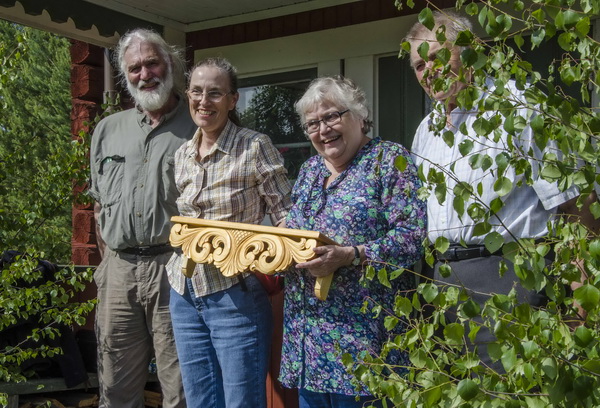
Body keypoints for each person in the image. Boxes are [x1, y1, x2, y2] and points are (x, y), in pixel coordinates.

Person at [405, 11, 599, 369]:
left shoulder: (520, 108)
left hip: (511, 278)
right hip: (444, 286)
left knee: (516, 389)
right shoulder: (425, 130)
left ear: (470, 49)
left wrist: (582, 299)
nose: (428, 70)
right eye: (419, 65)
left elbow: (576, 202)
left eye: (437, 56)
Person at [279, 76, 427, 408]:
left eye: (332, 116)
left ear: (359, 115)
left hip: (364, 346)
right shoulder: (310, 171)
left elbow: (413, 236)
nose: (323, 129)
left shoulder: (388, 160)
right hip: (308, 347)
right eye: (312, 123)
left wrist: (352, 255)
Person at [166, 57, 292, 408]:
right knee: (200, 402)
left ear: (233, 100)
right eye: (196, 91)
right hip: (183, 292)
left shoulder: (254, 146)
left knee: (241, 402)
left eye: (215, 93)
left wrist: (270, 261)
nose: (203, 101)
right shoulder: (182, 154)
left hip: (235, 294)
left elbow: (287, 216)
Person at [89, 28, 195, 408]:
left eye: (152, 63)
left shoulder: (198, 127)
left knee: (180, 388)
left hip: (176, 268)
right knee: (115, 389)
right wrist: (108, 267)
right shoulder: (107, 130)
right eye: (135, 68)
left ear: (170, 64)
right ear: (125, 75)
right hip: (119, 271)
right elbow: (99, 206)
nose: (145, 74)